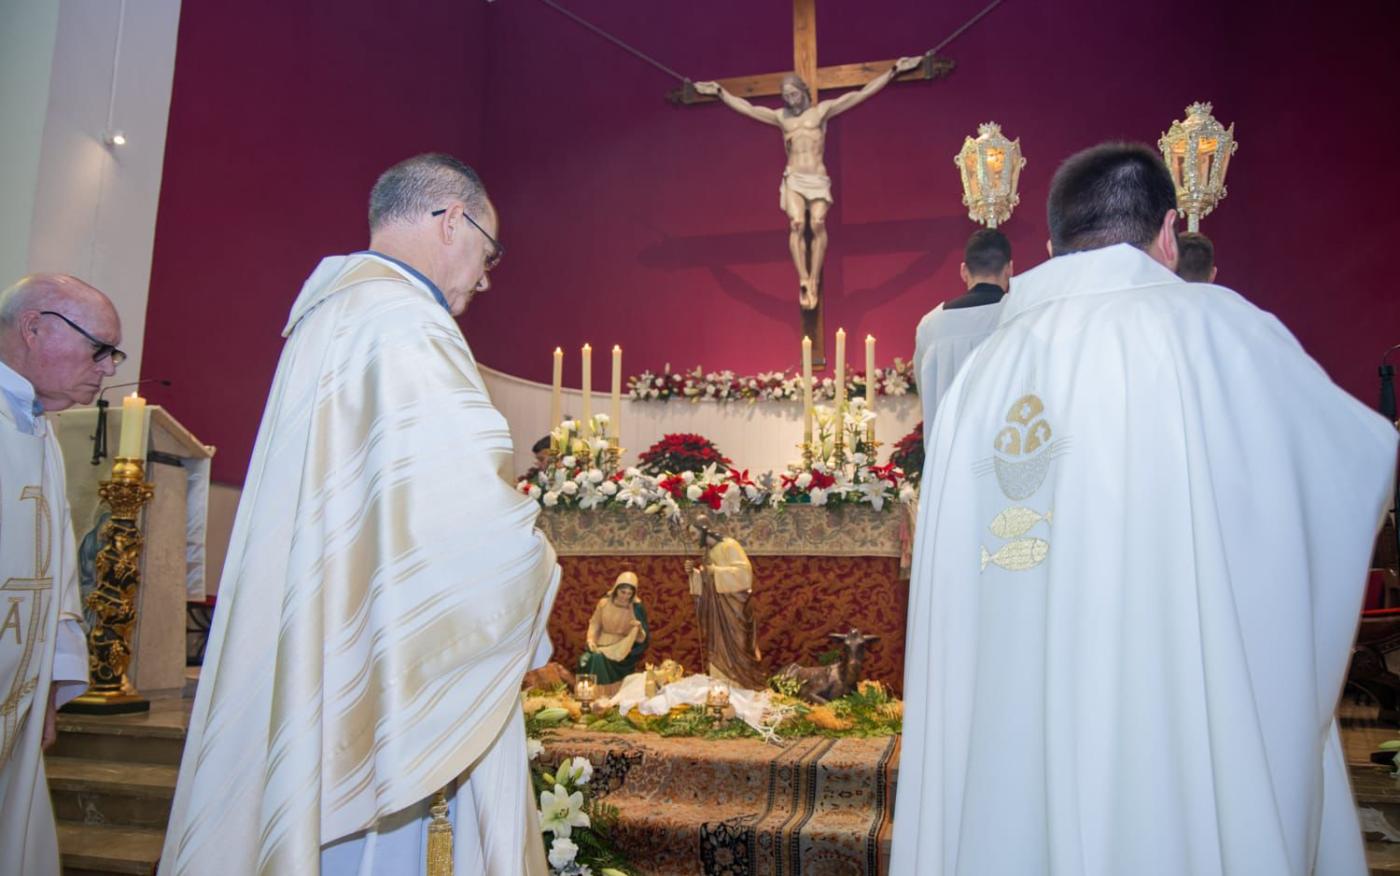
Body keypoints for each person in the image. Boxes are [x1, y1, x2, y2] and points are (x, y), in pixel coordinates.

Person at [891, 143, 1397, 875]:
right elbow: (1352, 464)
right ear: (1167, 235)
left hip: (1008, 729)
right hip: (1165, 711)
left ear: (1052, 248)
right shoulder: (1218, 333)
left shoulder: (981, 372)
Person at [161, 154, 560, 876]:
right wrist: (537, 569)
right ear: (452, 222)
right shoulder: (409, 323)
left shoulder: (328, 315)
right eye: (490, 252)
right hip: (389, 681)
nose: (486, 277)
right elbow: (469, 508)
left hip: (328, 645)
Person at [0, 273, 119, 874]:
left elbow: (55, 568)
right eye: (100, 349)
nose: (108, 369)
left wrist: (48, 683)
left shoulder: (35, 424)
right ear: (34, 327)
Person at [694, 56, 923, 311]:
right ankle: (803, 279)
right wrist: (720, 92)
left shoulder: (821, 112)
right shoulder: (781, 118)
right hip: (794, 177)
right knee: (797, 223)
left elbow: (860, 94)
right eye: (786, 96)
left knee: (817, 222)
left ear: (803, 91)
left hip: (816, 178)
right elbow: (748, 108)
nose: (791, 100)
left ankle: (814, 278)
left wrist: (893, 71)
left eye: (794, 94)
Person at [912, 228, 1012, 436]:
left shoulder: (932, 325)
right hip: (1008, 445)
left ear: (964, 271)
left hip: (949, 447)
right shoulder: (1022, 313)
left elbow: (925, 392)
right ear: (1009, 269)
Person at [687, 515, 766, 689]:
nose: (692, 539)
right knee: (719, 645)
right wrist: (693, 573)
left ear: (704, 530)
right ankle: (721, 684)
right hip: (717, 611)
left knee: (740, 644)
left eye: (694, 534)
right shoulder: (708, 553)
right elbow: (707, 583)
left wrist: (715, 570)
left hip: (735, 607)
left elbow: (744, 574)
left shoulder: (729, 545)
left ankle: (741, 684)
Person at [578, 571, 649, 684]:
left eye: (629, 593)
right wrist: (590, 639)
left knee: (597, 659)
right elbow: (595, 623)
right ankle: (588, 689)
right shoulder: (604, 603)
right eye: (623, 592)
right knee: (584, 659)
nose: (625, 596)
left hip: (622, 649)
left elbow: (641, 639)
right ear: (616, 589)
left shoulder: (635, 608)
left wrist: (638, 628)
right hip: (601, 643)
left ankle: (601, 690)